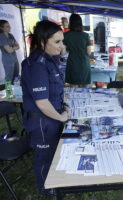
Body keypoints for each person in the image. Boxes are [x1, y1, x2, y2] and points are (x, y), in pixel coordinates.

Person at [21, 20, 68, 196]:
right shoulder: (36, 65)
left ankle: (55, 181)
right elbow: (42, 103)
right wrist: (61, 117)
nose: (61, 46)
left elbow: (57, 84)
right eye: (57, 42)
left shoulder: (49, 59)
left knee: (55, 152)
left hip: (52, 117)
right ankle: (46, 188)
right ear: (42, 42)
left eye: (62, 40)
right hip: (42, 121)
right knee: (45, 157)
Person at [63, 14, 91, 87]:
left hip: (72, 64)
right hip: (84, 64)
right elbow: (89, 52)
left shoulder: (65, 35)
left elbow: (63, 52)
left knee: (73, 89)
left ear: (70, 23)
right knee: (85, 88)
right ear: (81, 23)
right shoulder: (85, 35)